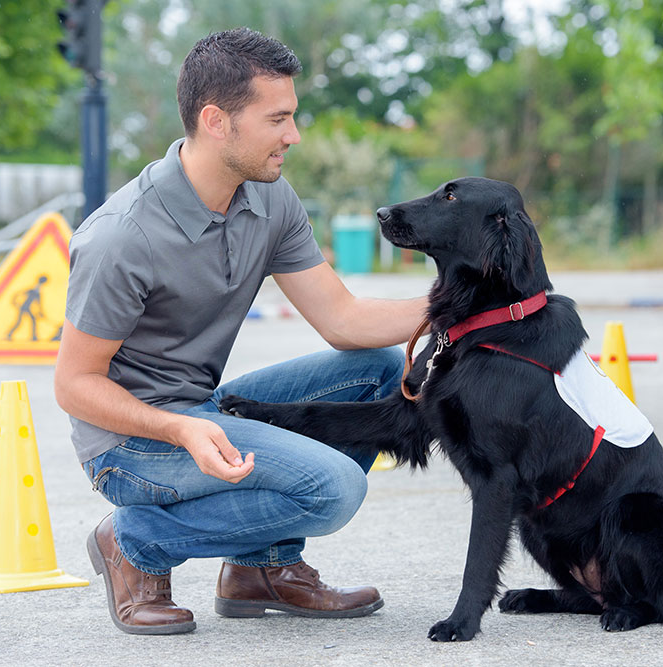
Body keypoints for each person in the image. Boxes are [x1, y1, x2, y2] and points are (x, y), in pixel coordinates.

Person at [54, 27, 427, 635]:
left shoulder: (269, 199)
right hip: (127, 443)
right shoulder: (123, 235)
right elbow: (74, 385)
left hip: (203, 409)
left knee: (381, 372)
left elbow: (344, 320)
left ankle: (262, 568)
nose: (294, 136)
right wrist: (179, 426)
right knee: (332, 489)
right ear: (216, 121)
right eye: (278, 118)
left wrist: (464, 305)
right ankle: (134, 541)